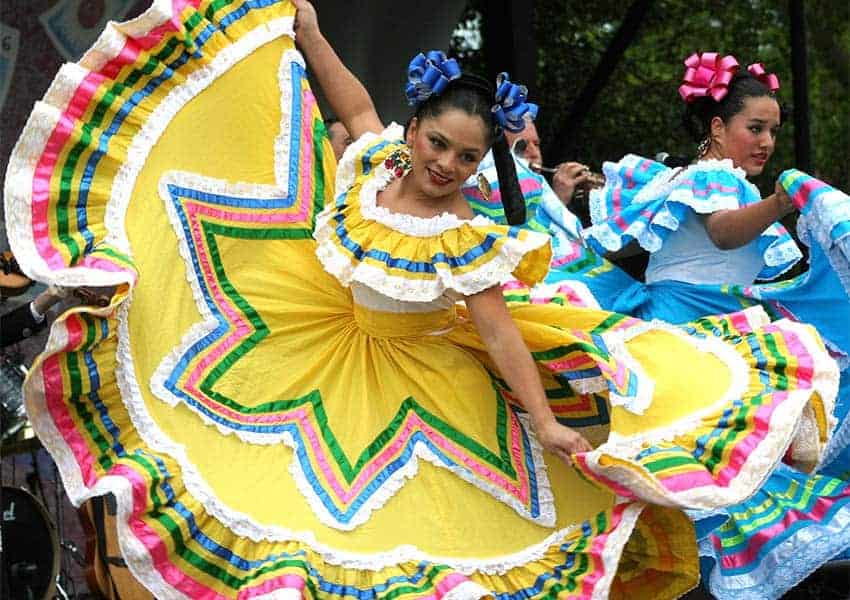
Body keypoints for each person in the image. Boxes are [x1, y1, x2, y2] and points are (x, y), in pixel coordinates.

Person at [4, 1, 840, 596]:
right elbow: (355, 104)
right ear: (413, 133)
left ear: (483, 164)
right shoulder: (373, 168)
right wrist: (311, 33)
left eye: (469, 158)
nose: (446, 165)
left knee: (403, 530)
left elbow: (501, 333)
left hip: (418, 375)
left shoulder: (464, 235)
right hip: (317, 335)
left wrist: (545, 423)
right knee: (239, 464)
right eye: (437, 143)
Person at [547, 52, 850, 599]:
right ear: (717, 126)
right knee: (707, 452)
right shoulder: (710, 177)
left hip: (719, 330)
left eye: (773, 131)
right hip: (685, 332)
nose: (766, 142)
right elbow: (725, 234)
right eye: (754, 128)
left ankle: (700, 570)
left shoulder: (727, 181)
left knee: (723, 454)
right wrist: (784, 199)